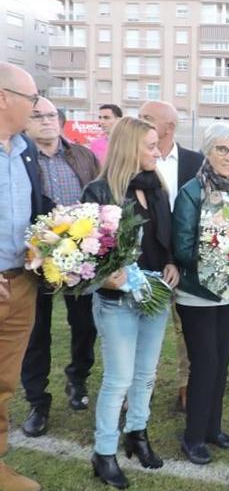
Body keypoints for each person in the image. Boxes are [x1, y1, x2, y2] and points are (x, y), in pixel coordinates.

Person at [82, 117, 180, 488]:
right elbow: (84, 251)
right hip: (115, 303)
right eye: (151, 146)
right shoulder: (98, 191)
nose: (158, 151)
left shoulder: (157, 187)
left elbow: (164, 240)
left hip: (154, 297)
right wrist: (104, 274)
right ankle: (103, 452)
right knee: (119, 379)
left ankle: (137, 434)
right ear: (129, 148)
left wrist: (172, 263)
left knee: (146, 375)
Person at [20, 97, 100, 439]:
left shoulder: (82, 155)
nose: (46, 121)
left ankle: (77, 378)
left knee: (85, 325)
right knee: (35, 333)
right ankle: (38, 402)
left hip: (80, 258)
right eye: (37, 116)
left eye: (51, 115)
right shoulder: (19, 159)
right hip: (34, 260)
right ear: (26, 122)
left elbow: (99, 196)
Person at [173, 122, 229, 465]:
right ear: (207, 151)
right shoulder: (191, 191)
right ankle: (193, 437)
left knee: (220, 364)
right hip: (196, 295)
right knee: (205, 364)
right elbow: (183, 247)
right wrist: (224, 256)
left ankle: (213, 429)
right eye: (222, 149)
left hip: (228, 293)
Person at [0, 62, 49, 491]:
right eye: (31, 99)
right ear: (3, 97)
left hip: (21, 282)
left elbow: (36, 210)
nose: (36, 107)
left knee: (4, 381)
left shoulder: (25, 149)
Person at [138, 100, 202, 413]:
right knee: (142, 329)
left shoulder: (195, 161)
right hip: (146, 263)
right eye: (139, 118)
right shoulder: (134, 162)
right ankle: (138, 391)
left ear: (169, 127)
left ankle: (186, 387)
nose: (141, 122)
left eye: (148, 119)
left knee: (186, 329)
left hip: (186, 263)